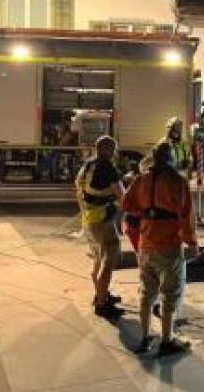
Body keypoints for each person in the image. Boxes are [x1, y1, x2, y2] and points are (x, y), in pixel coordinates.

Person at [123, 141, 198, 356]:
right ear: (171, 158)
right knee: (170, 293)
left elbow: (127, 204)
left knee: (146, 293)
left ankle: (145, 338)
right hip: (169, 244)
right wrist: (192, 243)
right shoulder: (177, 181)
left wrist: (148, 211)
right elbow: (186, 215)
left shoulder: (142, 179)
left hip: (145, 243)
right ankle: (167, 340)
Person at [75, 135, 126, 319]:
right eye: (113, 149)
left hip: (89, 219)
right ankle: (102, 304)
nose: (114, 153)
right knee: (108, 258)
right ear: (107, 150)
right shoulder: (108, 168)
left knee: (98, 257)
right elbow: (123, 197)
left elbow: (78, 189)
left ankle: (100, 293)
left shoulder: (87, 165)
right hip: (103, 220)